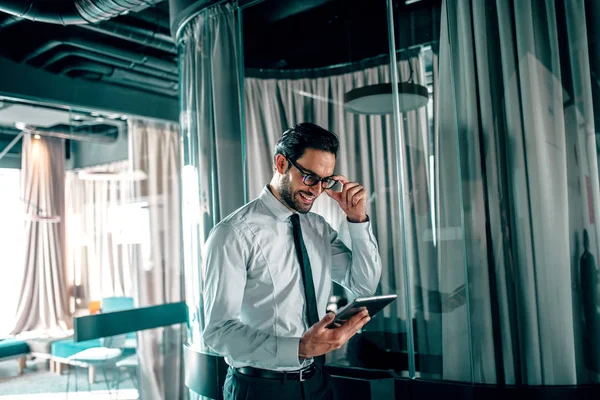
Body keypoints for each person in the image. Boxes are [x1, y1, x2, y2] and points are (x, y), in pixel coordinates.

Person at [202, 122, 382, 399]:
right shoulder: (233, 233)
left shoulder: (318, 227)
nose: (317, 190)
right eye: (309, 176)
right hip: (260, 388)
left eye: (325, 180)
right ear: (282, 163)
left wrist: (357, 219)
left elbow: (363, 284)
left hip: (317, 382)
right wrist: (298, 347)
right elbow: (218, 333)